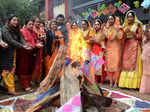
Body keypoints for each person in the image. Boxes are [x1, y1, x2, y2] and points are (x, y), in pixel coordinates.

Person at [0, 14, 29, 95]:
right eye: (14, 20)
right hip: (5, 53)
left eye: (17, 20)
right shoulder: (5, 29)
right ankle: (11, 90)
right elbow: (10, 40)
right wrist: (23, 46)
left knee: (11, 69)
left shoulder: (16, 29)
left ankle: (7, 87)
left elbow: (21, 38)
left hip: (13, 52)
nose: (16, 22)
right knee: (8, 70)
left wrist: (25, 44)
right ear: (9, 21)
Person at [119, 10, 143, 89]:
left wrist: (132, 32)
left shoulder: (138, 25)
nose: (129, 18)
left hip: (135, 46)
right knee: (126, 64)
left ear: (134, 17)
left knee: (133, 64)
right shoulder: (125, 26)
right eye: (128, 16)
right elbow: (122, 39)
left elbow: (140, 37)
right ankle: (125, 84)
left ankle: (133, 85)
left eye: (131, 16)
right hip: (126, 46)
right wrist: (124, 34)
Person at [17, 19, 43, 92]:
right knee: (23, 69)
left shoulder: (33, 32)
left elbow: (36, 39)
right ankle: (25, 85)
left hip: (32, 53)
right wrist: (36, 45)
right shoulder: (22, 31)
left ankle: (27, 83)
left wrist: (38, 42)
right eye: (29, 24)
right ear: (25, 25)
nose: (31, 26)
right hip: (24, 54)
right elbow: (25, 43)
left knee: (30, 68)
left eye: (32, 24)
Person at [104, 15, 123, 88]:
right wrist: (104, 29)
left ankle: (116, 82)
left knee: (116, 65)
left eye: (112, 19)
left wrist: (117, 30)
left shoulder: (118, 27)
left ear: (114, 20)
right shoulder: (107, 28)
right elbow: (107, 37)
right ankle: (111, 82)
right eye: (109, 19)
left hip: (116, 48)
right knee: (109, 65)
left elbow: (120, 37)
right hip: (109, 48)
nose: (110, 20)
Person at [90, 19, 105, 84]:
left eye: (98, 24)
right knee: (94, 65)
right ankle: (95, 79)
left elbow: (102, 43)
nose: (96, 26)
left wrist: (95, 41)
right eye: (95, 24)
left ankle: (102, 80)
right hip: (93, 50)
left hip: (100, 50)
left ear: (100, 25)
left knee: (100, 65)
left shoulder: (102, 33)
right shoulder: (93, 33)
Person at [32, 17, 45, 83]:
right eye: (36, 22)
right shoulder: (32, 29)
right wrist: (39, 38)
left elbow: (44, 38)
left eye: (39, 22)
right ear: (33, 22)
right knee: (34, 64)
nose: (38, 23)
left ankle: (38, 79)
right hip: (34, 49)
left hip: (41, 49)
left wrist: (43, 37)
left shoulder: (41, 29)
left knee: (40, 64)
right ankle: (33, 79)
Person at [140, 21, 150, 94]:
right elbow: (144, 41)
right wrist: (146, 34)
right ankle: (145, 89)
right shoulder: (147, 30)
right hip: (146, 53)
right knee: (146, 72)